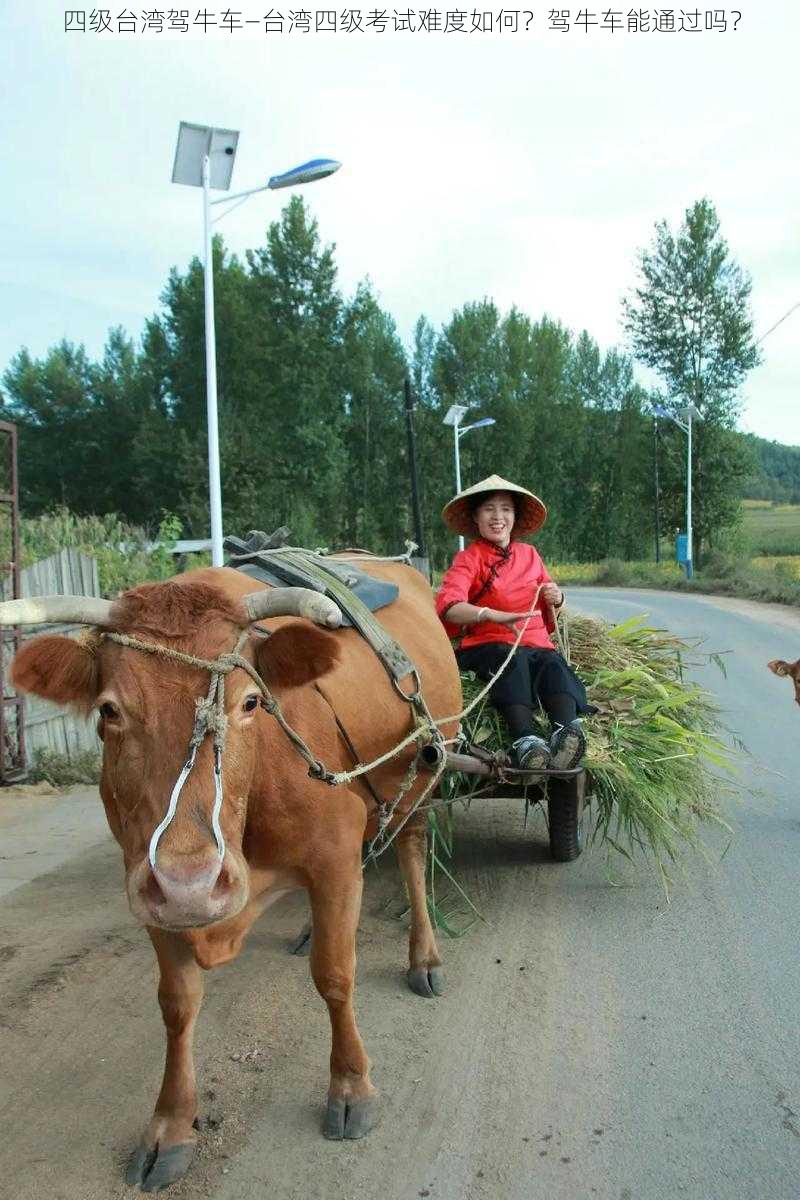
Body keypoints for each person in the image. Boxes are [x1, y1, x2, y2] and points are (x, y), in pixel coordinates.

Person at [435, 474, 594, 771]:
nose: (498, 517)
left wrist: (556, 597)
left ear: (515, 516)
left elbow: (551, 611)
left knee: (552, 663)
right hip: (488, 646)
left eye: (506, 509)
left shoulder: (530, 554)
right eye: (489, 509)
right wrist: (490, 615)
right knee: (513, 660)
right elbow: (449, 607)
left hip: (534, 643)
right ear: (476, 518)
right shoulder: (469, 558)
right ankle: (526, 739)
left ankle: (566, 732)